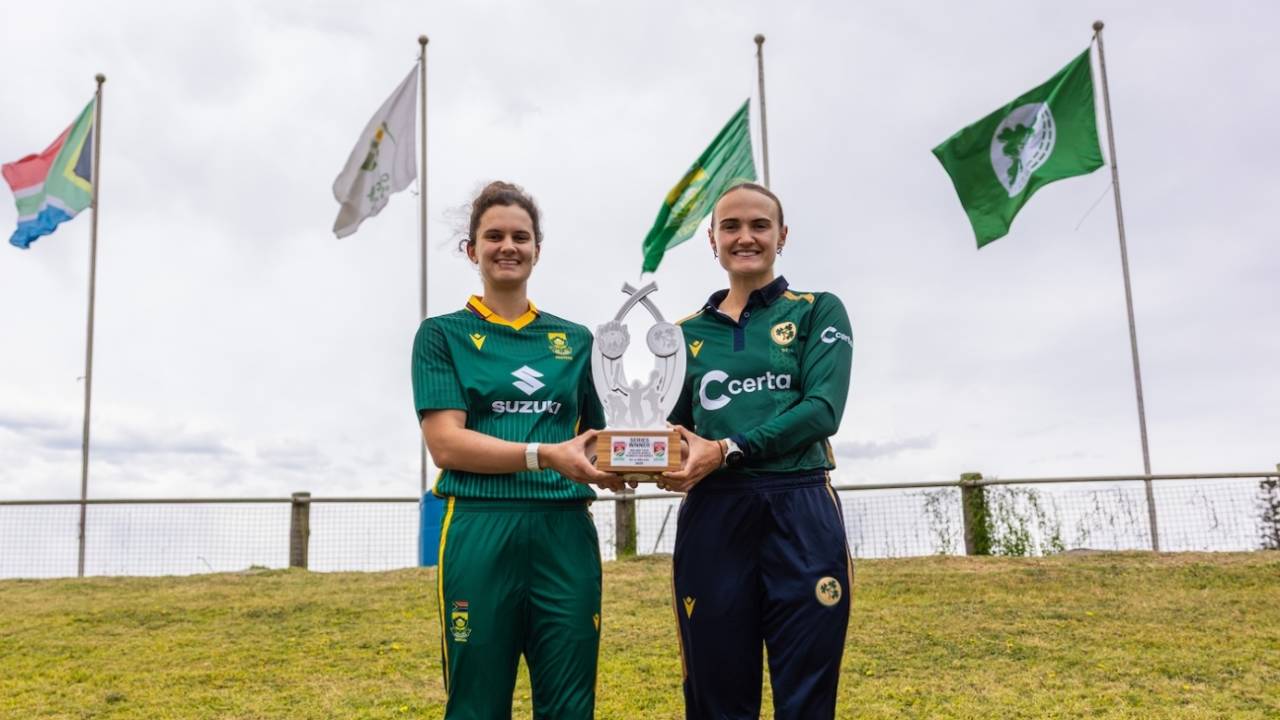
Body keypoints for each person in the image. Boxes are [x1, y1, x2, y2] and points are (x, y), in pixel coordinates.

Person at [411, 181, 621, 719]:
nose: (508, 246)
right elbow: (446, 444)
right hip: (481, 527)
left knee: (570, 705)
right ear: (472, 250)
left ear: (537, 249)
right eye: (494, 236)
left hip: (564, 531)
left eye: (520, 237)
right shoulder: (441, 335)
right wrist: (544, 455)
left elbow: (594, 446)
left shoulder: (576, 340)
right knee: (477, 703)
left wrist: (639, 461)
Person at [662, 182, 855, 719]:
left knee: (807, 697)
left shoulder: (819, 310)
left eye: (759, 226)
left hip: (801, 508)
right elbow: (677, 433)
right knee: (717, 696)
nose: (745, 237)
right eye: (731, 226)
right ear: (712, 240)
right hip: (714, 515)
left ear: (782, 236)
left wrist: (728, 447)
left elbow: (821, 411)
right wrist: (640, 458)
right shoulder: (681, 335)